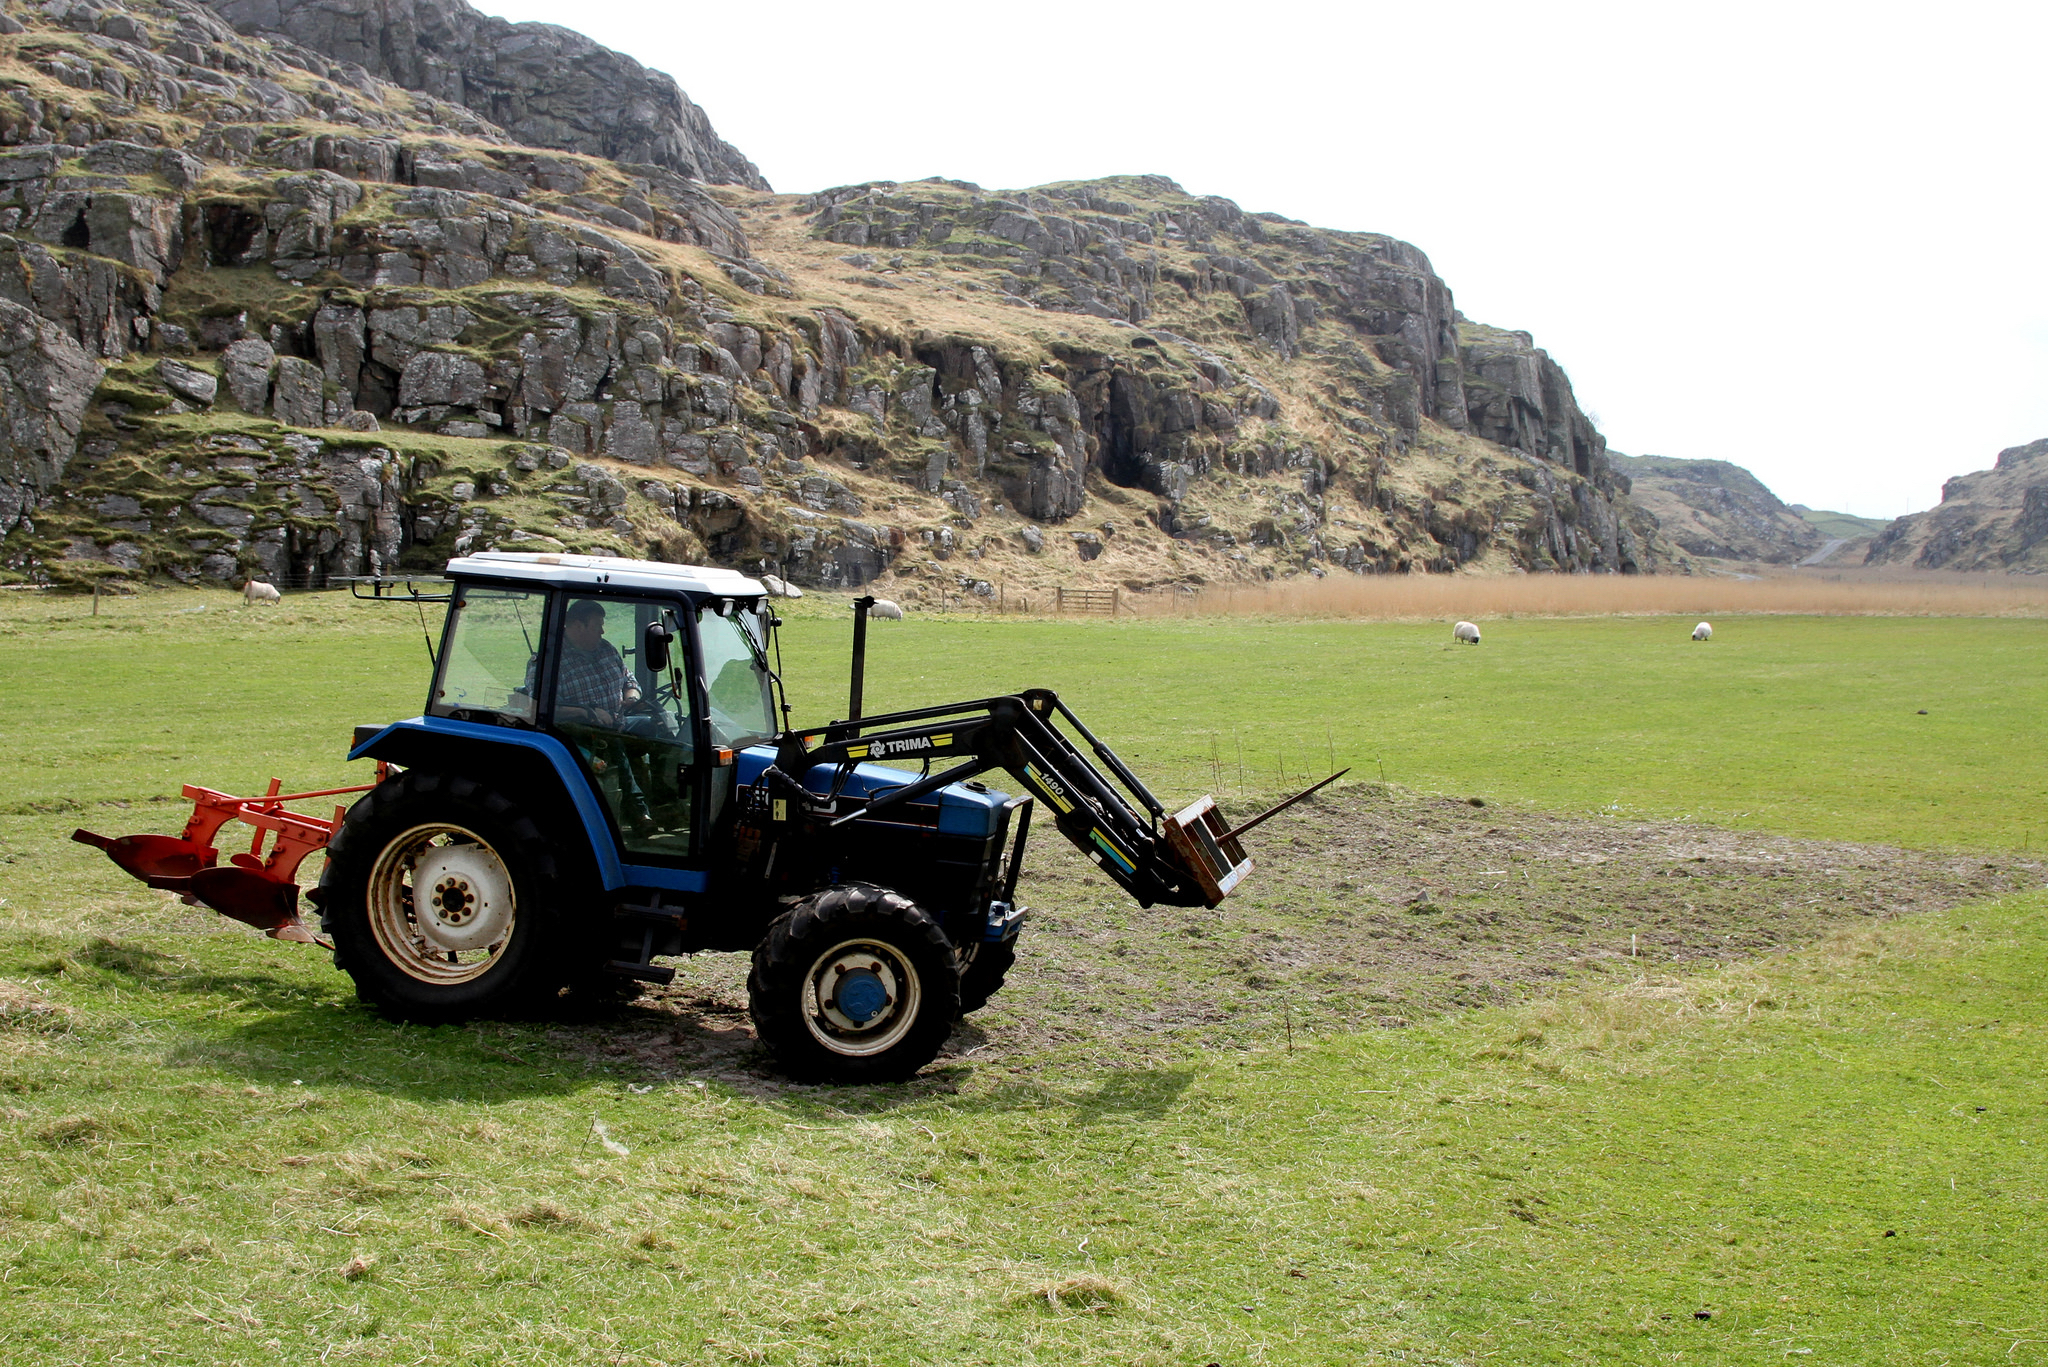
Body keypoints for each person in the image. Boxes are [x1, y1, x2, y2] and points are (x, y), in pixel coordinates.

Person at [553, 599, 653, 831]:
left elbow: (629, 680)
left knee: (658, 724)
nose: (602, 630)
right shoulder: (552, 660)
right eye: (597, 625)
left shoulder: (605, 648)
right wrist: (588, 712)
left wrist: (631, 697)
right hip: (580, 732)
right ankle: (639, 813)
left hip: (618, 720)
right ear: (578, 626)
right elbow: (543, 706)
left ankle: (666, 797)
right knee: (614, 742)